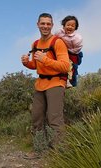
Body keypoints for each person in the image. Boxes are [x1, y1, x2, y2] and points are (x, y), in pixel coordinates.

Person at [21, 13, 70, 159]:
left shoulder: (58, 42)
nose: (45, 26)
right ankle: (39, 150)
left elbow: (65, 66)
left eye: (48, 24)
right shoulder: (35, 44)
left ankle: (59, 153)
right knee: (37, 118)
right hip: (40, 84)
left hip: (56, 83)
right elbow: (36, 65)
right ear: (37, 25)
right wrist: (26, 63)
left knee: (54, 119)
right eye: (43, 23)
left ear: (52, 26)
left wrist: (45, 59)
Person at [55, 15, 83, 87]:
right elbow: (54, 39)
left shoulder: (77, 38)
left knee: (71, 66)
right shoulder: (59, 32)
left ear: (75, 28)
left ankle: (70, 81)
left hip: (74, 52)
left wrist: (68, 51)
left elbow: (78, 48)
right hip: (63, 50)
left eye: (73, 26)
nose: (70, 27)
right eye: (68, 25)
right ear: (64, 26)